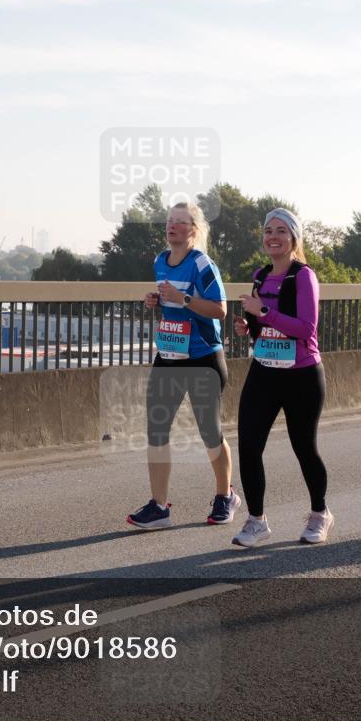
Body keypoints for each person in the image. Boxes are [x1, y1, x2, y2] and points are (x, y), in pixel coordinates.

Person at [127, 201, 240, 529]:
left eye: (179, 222)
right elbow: (171, 303)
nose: (171, 226)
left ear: (193, 229)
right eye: (169, 221)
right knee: (156, 429)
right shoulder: (161, 261)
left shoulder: (202, 264)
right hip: (169, 355)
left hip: (203, 357)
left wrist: (184, 300)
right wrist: (156, 301)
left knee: (209, 432)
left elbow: (220, 310)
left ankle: (225, 495)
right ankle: (159, 506)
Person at [231, 208, 332, 547]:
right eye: (267, 230)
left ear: (293, 238)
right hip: (264, 370)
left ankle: (320, 514)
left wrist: (264, 312)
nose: (272, 236)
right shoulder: (261, 275)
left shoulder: (303, 276)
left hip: (301, 374)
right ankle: (256, 521)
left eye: (280, 231)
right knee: (248, 445)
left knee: (304, 447)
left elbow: (306, 328)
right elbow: (264, 325)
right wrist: (250, 327)